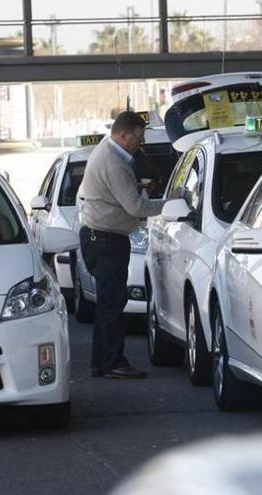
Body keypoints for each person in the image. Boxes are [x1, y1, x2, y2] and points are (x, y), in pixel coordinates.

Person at [77, 111, 168, 379]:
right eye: (139, 137)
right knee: (113, 304)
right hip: (105, 241)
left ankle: (103, 362)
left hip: (100, 238)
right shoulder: (114, 162)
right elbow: (136, 207)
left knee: (108, 304)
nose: (142, 142)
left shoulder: (106, 151)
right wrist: (169, 203)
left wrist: (139, 186)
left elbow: (118, 194)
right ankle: (113, 362)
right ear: (123, 134)